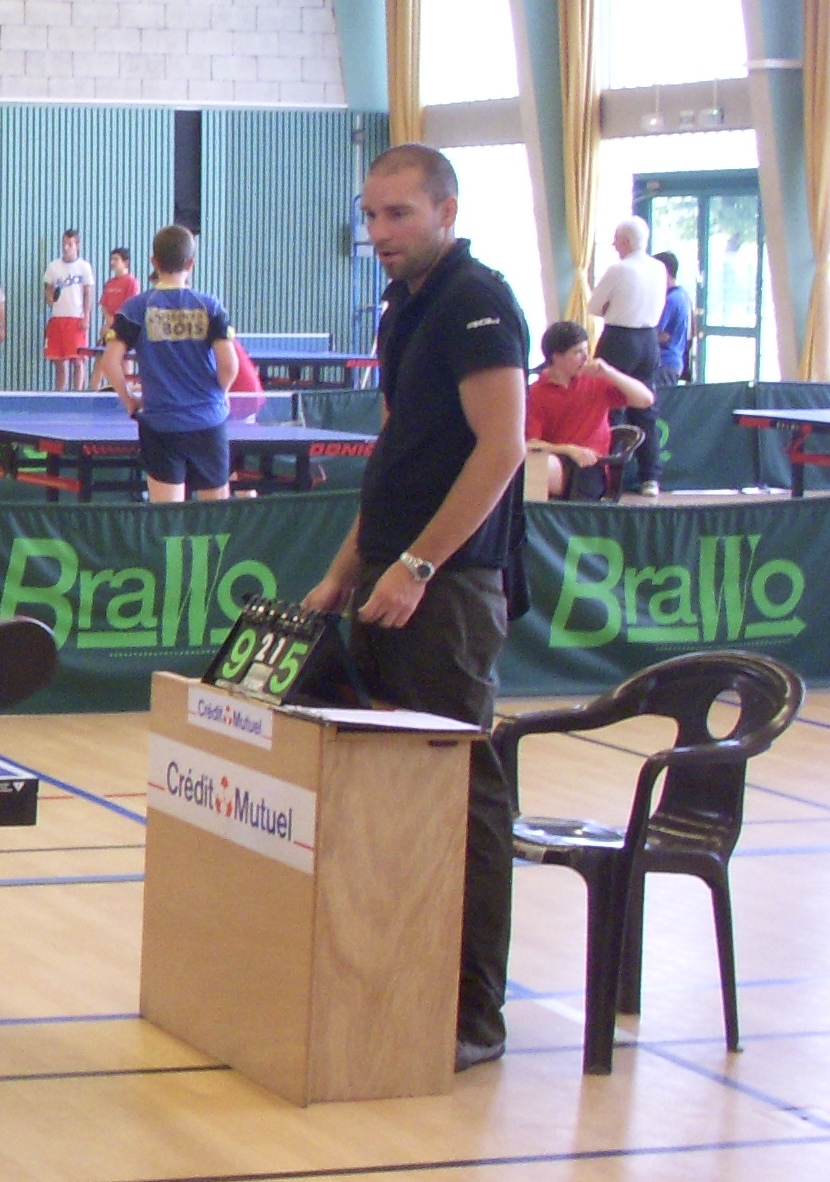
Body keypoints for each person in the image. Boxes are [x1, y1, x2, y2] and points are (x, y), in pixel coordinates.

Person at [302, 143, 529, 1073]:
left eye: (398, 213)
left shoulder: (477, 303)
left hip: (448, 592)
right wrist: (345, 571)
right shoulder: (404, 307)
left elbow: (502, 448)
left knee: (460, 796)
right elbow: (399, 452)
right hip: (388, 585)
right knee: (387, 793)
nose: (379, 231)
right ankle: (393, 982)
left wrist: (420, 567)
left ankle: (472, 1015)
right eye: (371, 214)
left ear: (446, 211)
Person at [100, 224, 238, 503]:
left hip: (161, 426)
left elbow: (110, 363)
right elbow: (230, 366)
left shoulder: (136, 308)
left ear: (154, 262)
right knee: (215, 517)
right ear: (191, 263)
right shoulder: (209, 306)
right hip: (208, 423)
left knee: (167, 518)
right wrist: (219, 394)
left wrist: (129, 400)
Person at [526, 320, 654, 499]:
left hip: (591, 467)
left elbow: (646, 400)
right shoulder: (536, 393)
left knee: (537, 469)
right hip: (558, 460)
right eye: (578, 352)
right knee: (529, 465)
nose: (586, 357)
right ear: (557, 357)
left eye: (586, 350)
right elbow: (531, 443)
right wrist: (568, 449)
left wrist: (609, 372)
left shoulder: (596, 381)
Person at [587, 215, 665, 497]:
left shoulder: (618, 269)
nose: (614, 244)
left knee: (610, 407)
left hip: (619, 339)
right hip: (649, 341)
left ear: (627, 242)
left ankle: (610, 475)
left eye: (617, 240)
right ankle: (650, 478)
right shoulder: (659, 268)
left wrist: (614, 307)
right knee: (645, 410)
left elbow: (593, 307)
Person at [43, 229, 95, 391]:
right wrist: (50, 298)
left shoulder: (84, 267)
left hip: (76, 318)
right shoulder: (53, 266)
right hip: (58, 317)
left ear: (77, 245)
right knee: (59, 361)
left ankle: (78, 394)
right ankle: (60, 395)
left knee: (78, 360)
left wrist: (86, 317)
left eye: (70, 244)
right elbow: (48, 288)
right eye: (64, 243)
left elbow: (88, 293)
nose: (66, 247)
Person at [89, 247, 141, 390]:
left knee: (125, 364)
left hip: (124, 328)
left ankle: (127, 395)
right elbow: (104, 306)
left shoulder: (131, 282)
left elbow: (130, 307)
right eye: (111, 259)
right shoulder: (109, 283)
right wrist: (110, 322)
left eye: (116, 259)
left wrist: (118, 324)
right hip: (109, 328)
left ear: (126, 262)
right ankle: (90, 395)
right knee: (100, 363)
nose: (112, 262)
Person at [653, 250, 693, 387]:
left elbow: (659, 334)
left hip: (664, 362)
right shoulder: (683, 296)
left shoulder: (671, 300)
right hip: (674, 361)